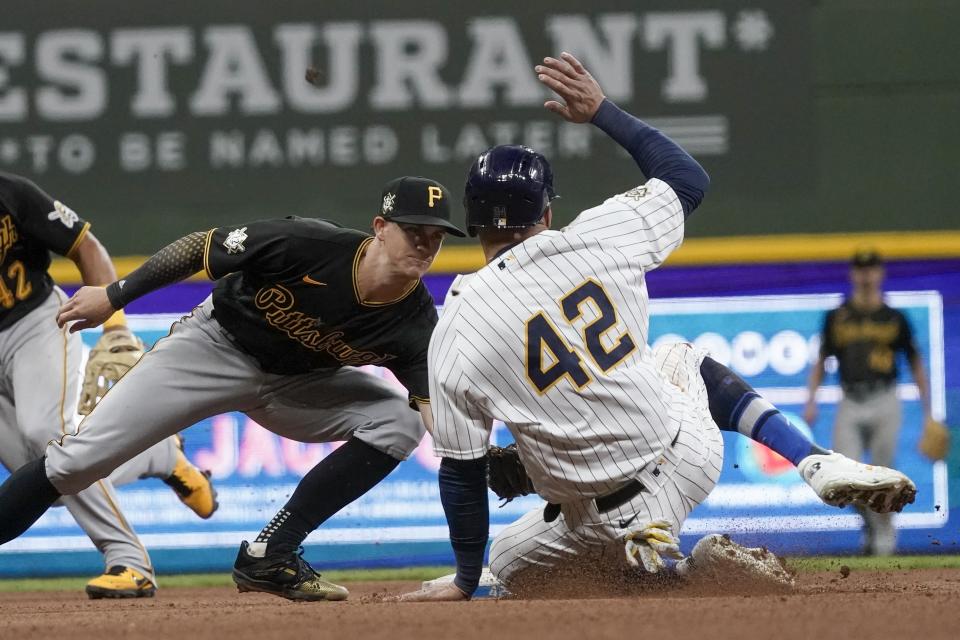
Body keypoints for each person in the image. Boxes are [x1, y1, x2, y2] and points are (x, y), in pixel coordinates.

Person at [395, 53, 916, 601]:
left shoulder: (456, 323)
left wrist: (464, 579)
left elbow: (458, 473)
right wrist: (600, 110)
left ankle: (663, 569)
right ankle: (810, 463)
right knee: (677, 355)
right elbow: (687, 178)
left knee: (496, 567)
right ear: (545, 213)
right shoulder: (598, 235)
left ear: (471, 223)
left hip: (587, 522)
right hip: (684, 461)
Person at [0, 175, 465, 602]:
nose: (425, 245)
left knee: (399, 420)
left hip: (301, 385)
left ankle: (272, 552)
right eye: (414, 231)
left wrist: (472, 458)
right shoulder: (310, 243)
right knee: (74, 462)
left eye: (436, 237)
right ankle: (162, 462)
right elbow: (199, 248)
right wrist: (113, 297)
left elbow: (430, 410)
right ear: (381, 227)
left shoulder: (417, 322)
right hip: (213, 348)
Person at [0, 171, 217, 598]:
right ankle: (158, 454)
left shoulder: (11, 193)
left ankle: (129, 562)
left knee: (49, 439)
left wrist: (115, 327)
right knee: (48, 485)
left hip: (34, 324)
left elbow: (85, 247)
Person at [804, 248, 929, 556]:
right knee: (845, 478)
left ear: (880, 273)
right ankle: (874, 525)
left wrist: (928, 412)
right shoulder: (837, 317)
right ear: (853, 274)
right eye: (861, 269)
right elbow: (821, 360)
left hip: (885, 398)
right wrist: (811, 400)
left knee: (883, 475)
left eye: (872, 269)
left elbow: (915, 362)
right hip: (850, 400)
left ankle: (883, 539)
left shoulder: (894, 317)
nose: (866, 275)